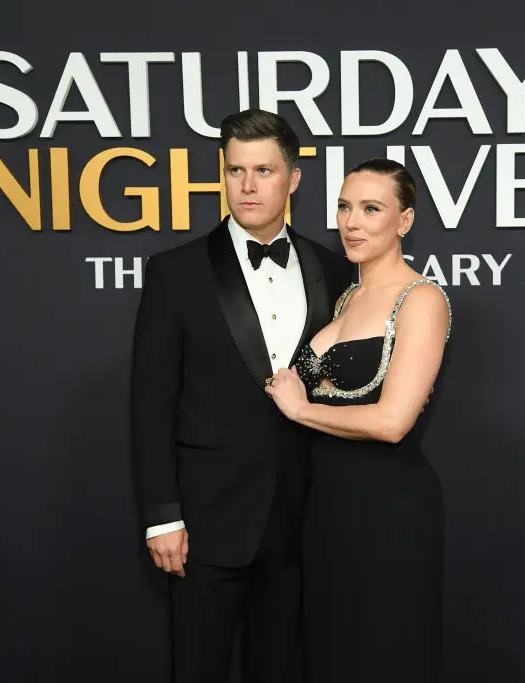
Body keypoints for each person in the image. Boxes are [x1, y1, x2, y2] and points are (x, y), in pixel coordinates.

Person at [130, 108, 354, 682]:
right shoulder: (174, 273)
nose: (248, 186)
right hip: (206, 520)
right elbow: (151, 400)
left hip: (303, 519)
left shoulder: (331, 269)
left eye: (264, 170)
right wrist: (162, 517)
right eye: (236, 171)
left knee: (280, 668)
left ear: (294, 179)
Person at [265, 158, 452, 683]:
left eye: (372, 209)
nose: (352, 222)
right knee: (331, 654)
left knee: (383, 652)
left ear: (404, 221)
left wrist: (301, 408)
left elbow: (394, 421)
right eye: (345, 207)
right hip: (326, 509)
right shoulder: (345, 298)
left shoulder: (422, 299)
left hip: (387, 510)